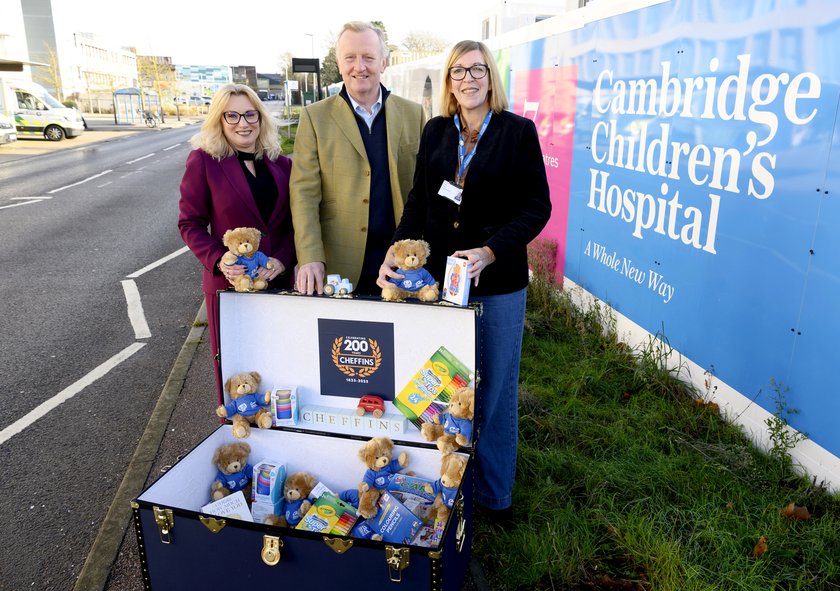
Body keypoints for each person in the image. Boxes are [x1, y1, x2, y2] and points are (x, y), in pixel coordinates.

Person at [377, 41, 551, 522]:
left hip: (497, 284)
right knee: (440, 383)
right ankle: (445, 483)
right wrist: (398, 252)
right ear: (449, 81)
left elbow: (537, 208)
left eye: (477, 69)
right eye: (458, 71)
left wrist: (490, 250)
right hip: (436, 282)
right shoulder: (435, 131)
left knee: (494, 387)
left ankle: (494, 498)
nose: (468, 78)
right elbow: (418, 201)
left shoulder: (517, 132)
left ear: (491, 77)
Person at [290, 21, 425, 296]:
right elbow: (303, 193)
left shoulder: (414, 114)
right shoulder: (315, 118)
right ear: (339, 63)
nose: (359, 66)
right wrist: (309, 256)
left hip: (401, 264)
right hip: (338, 264)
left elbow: (424, 190)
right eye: (350, 58)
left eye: (368, 57)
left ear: (384, 62)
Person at [178, 83, 296, 395]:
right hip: (231, 288)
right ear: (219, 120)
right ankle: (236, 435)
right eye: (232, 116)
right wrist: (220, 260)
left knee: (282, 367)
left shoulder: (282, 164)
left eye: (249, 114)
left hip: (278, 284)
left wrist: (282, 260)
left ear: (261, 118)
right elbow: (189, 223)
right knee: (236, 377)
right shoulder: (203, 162)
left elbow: (296, 225)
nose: (242, 123)